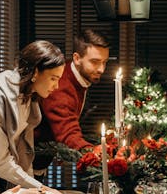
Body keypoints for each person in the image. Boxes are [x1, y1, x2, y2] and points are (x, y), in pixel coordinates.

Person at [0, 40, 68, 194]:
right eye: (53, 79)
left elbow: (23, 151)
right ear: (35, 72)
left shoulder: (28, 97)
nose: (56, 86)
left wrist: (38, 193)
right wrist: (42, 190)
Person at [32, 29, 110, 171]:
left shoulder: (76, 76)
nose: (101, 69)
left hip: (38, 159)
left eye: (105, 62)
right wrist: (99, 156)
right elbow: (68, 134)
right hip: (26, 159)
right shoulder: (60, 86)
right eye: (95, 62)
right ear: (76, 58)